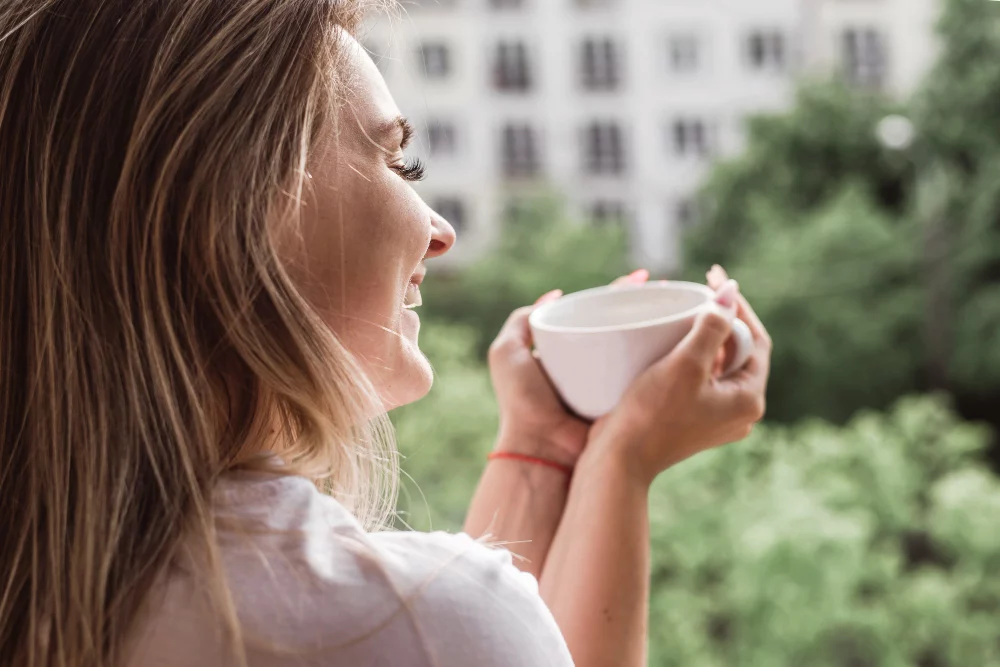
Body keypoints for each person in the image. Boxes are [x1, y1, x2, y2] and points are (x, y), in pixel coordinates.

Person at [0, 1, 771, 666]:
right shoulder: (392, 621)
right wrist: (625, 463)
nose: (440, 233)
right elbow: (445, 629)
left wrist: (546, 454)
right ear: (231, 211)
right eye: (397, 161)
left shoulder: (51, 582)